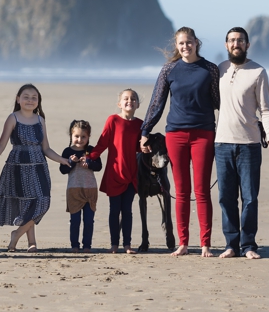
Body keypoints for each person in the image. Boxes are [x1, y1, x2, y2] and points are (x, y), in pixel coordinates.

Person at [141, 26, 221, 256]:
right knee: (182, 190)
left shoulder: (210, 69)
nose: (185, 46)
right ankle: (183, 243)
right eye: (181, 43)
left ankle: (205, 244)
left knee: (202, 190)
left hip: (203, 134)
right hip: (175, 135)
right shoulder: (169, 69)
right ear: (176, 46)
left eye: (189, 42)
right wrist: (145, 130)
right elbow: (157, 102)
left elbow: (219, 102)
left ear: (196, 42)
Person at [216, 27, 269, 259]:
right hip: (222, 144)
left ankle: (248, 245)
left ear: (247, 44)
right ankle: (231, 244)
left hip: (249, 144)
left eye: (240, 40)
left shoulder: (258, 72)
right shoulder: (219, 70)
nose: (236, 44)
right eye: (232, 40)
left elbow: (266, 109)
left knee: (249, 198)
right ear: (226, 45)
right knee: (226, 198)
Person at [0, 85, 67, 251]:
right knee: (27, 204)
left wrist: (62, 160)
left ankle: (16, 234)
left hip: (39, 167)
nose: (30, 100)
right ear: (18, 99)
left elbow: (46, 148)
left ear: (38, 101)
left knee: (42, 202)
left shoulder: (40, 120)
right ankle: (32, 242)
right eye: (26, 97)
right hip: (18, 167)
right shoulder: (13, 118)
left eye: (34, 97)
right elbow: (2, 144)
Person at [90, 89, 144, 254]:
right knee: (114, 210)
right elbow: (102, 143)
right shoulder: (113, 120)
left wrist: (147, 147)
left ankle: (127, 245)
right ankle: (114, 244)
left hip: (131, 175)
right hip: (114, 174)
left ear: (138, 104)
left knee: (127, 211)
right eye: (126, 98)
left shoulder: (140, 124)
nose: (129, 101)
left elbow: (139, 147)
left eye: (133, 99)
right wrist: (89, 157)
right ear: (119, 103)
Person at [57, 120, 102, 251]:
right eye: (76, 136)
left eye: (83, 137)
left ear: (88, 136)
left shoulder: (91, 150)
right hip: (74, 191)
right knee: (75, 220)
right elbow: (63, 170)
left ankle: (87, 245)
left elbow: (99, 166)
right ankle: (75, 245)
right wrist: (71, 162)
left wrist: (89, 163)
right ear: (71, 135)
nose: (80, 140)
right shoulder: (67, 151)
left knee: (89, 220)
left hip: (90, 190)